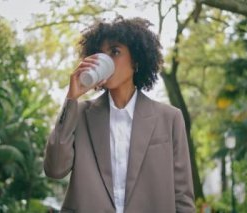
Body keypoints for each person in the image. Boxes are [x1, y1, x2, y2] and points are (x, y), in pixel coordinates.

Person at [44, 16, 195, 213]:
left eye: (115, 51)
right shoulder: (79, 114)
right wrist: (71, 98)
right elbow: (55, 169)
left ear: (136, 61)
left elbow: (182, 196)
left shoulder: (169, 118)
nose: (105, 59)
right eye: (100, 54)